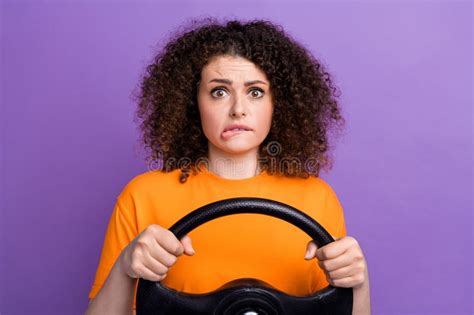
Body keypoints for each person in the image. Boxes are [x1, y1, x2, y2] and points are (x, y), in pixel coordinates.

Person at [85, 18, 371, 314]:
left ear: (278, 104)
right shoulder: (143, 196)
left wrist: (358, 283)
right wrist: (124, 267)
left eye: (256, 92)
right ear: (192, 102)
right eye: (219, 91)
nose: (238, 109)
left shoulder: (317, 198)